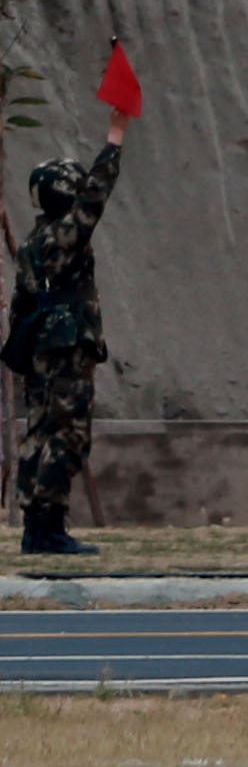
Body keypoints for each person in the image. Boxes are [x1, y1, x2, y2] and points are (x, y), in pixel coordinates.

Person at [4, 113, 131, 555]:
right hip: (66, 348)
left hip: (41, 349)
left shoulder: (31, 243)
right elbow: (97, 194)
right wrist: (114, 137)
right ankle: (50, 527)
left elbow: (19, 305)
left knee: (38, 431)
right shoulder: (66, 235)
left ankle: (35, 528)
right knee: (70, 433)